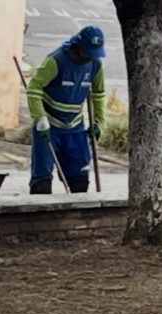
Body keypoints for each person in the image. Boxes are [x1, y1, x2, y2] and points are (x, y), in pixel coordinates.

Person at [27, 25, 107, 194]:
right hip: (48, 126)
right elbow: (34, 87)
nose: (90, 58)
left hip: (75, 127)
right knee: (42, 181)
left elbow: (98, 94)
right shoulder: (56, 61)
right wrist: (40, 117)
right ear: (77, 46)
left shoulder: (95, 66)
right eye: (88, 53)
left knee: (80, 180)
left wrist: (99, 122)